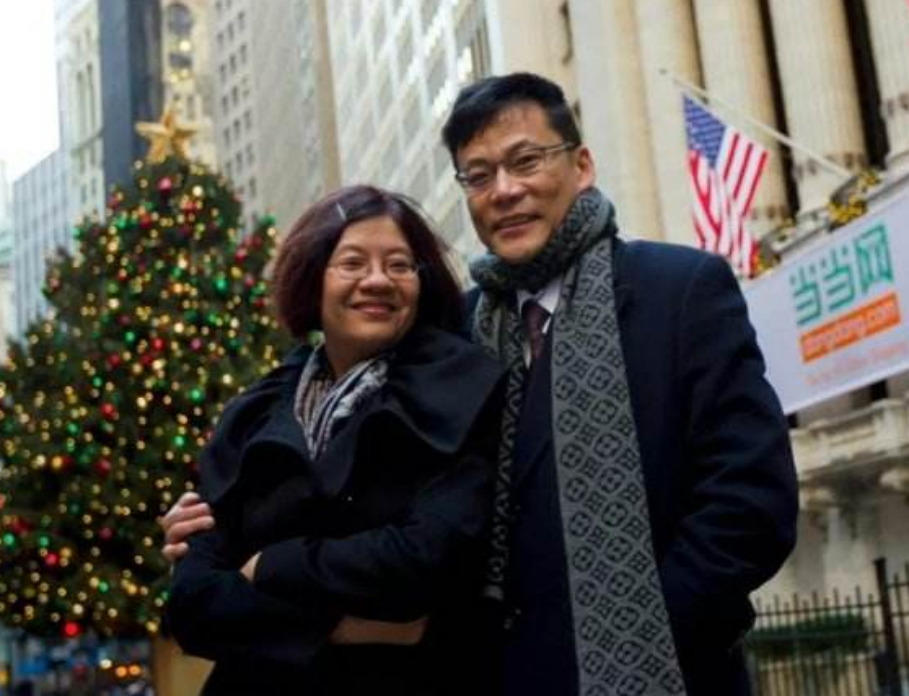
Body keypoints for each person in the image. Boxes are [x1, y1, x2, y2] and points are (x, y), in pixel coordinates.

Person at [163, 73, 798, 696]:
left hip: (657, 669)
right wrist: (214, 526)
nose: (505, 190)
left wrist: (643, 635)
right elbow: (348, 475)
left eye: (526, 161)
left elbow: (750, 502)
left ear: (581, 166)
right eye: (479, 174)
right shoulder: (449, 331)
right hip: (483, 675)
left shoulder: (680, 290)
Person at [164, 185, 505, 695]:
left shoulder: (461, 388)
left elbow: (426, 558)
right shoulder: (253, 411)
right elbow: (193, 604)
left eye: (399, 265)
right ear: (312, 278)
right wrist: (341, 628)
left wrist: (270, 565)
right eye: (352, 263)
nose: (378, 280)